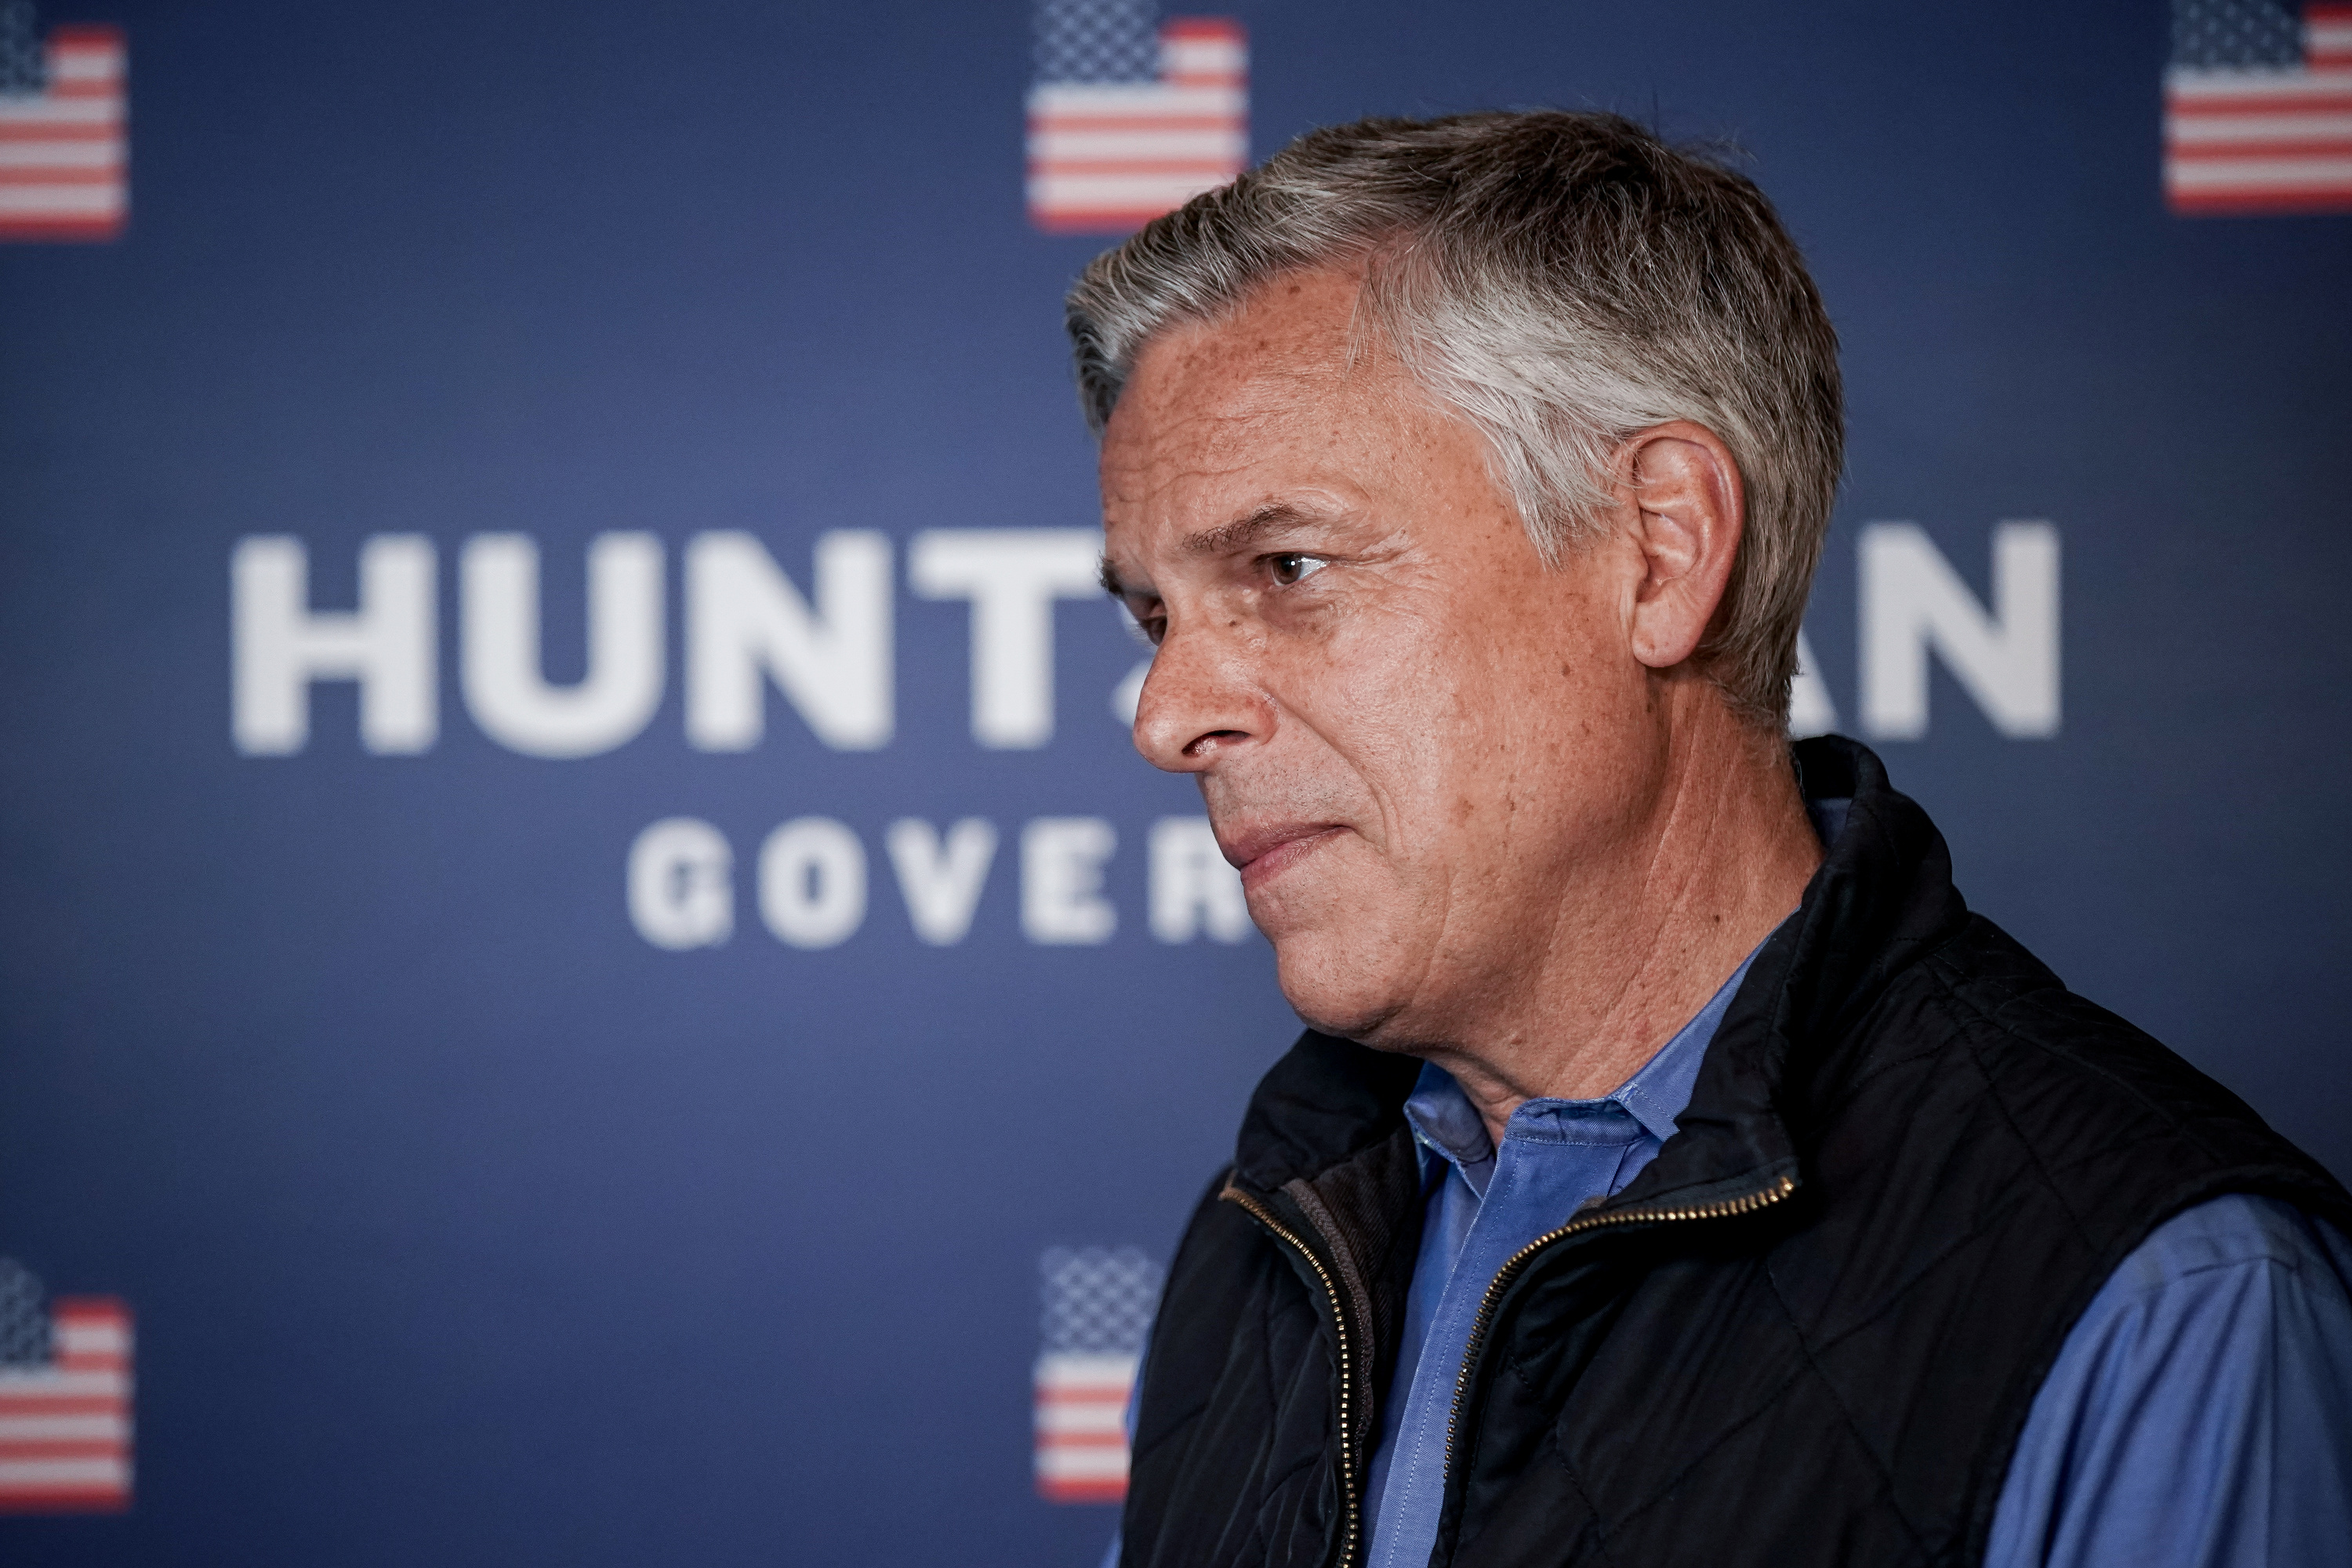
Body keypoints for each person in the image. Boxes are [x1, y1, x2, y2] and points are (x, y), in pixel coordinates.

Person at [1069, 111, 2352, 1568]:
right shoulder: (1269, 1240)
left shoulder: (2166, 1299)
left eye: (1288, 569)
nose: (1167, 714)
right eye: (1157, 616)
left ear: (1658, 551)